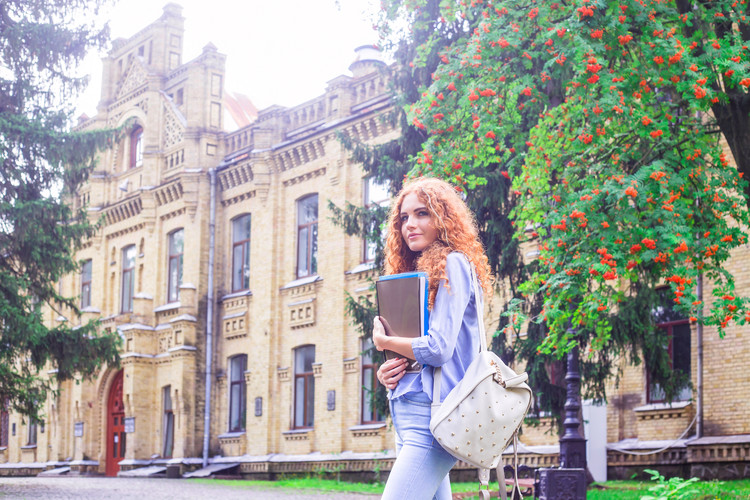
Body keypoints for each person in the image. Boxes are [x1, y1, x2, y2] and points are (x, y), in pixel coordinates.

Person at [373, 177, 493, 500]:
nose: (410, 224)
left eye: (422, 214)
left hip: (432, 421)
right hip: (409, 415)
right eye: (404, 218)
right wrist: (389, 371)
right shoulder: (422, 275)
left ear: (443, 218)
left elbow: (439, 349)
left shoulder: (454, 264)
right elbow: (418, 356)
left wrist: (385, 342)